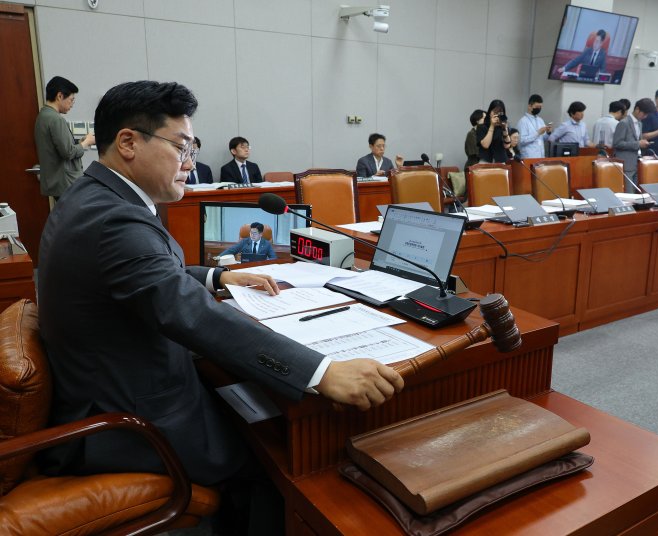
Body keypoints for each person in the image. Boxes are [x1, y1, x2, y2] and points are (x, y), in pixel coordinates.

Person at [37, 81, 403, 530]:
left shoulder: (95, 198)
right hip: (127, 422)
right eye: (181, 147)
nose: (189, 163)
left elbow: (147, 275)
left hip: (119, 386)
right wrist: (320, 371)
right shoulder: (113, 219)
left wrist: (217, 275)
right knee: (277, 454)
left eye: (193, 148)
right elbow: (187, 312)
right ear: (129, 142)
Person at [34, 76, 95, 201]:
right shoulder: (56, 119)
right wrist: (87, 143)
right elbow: (68, 152)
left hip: (57, 183)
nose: (72, 104)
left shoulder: (43, 116)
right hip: (66, 183)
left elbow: (59, 147)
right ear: (60, 96)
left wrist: (80, 142)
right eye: (71, 100)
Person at [613, 98, 655, 192]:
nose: (645, 116)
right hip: (626, 164)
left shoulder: (640, 123)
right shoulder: (624, 123)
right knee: (629, 194)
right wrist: (638, 144)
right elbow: (617, 143)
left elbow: (637, 141)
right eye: (644, 114)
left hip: (636, 163)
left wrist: (642, 143)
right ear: (637, 109)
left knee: (637, 194)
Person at [516, 94, 551, 159]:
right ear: (529, 106)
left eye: (540, 107)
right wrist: (537, 133)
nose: (539, 109)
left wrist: (548, 133)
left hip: (541, 157)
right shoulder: (523, 121)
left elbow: (543, 138)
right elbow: (522, 141)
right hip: (529, 157)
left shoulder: (540, 120)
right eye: (537, 107)